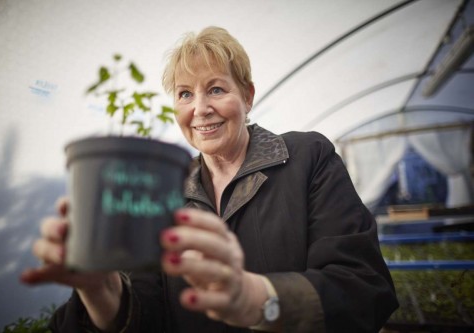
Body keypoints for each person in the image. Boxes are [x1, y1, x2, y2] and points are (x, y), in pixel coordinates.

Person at [21, 26, 398, 332]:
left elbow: (363, 288)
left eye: (216, 89)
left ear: (247, 96)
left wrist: (255, 298)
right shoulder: (162, 192)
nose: (200, 109)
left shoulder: (306, 159)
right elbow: (147, 311)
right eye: (185, 94)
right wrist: (101, 289)